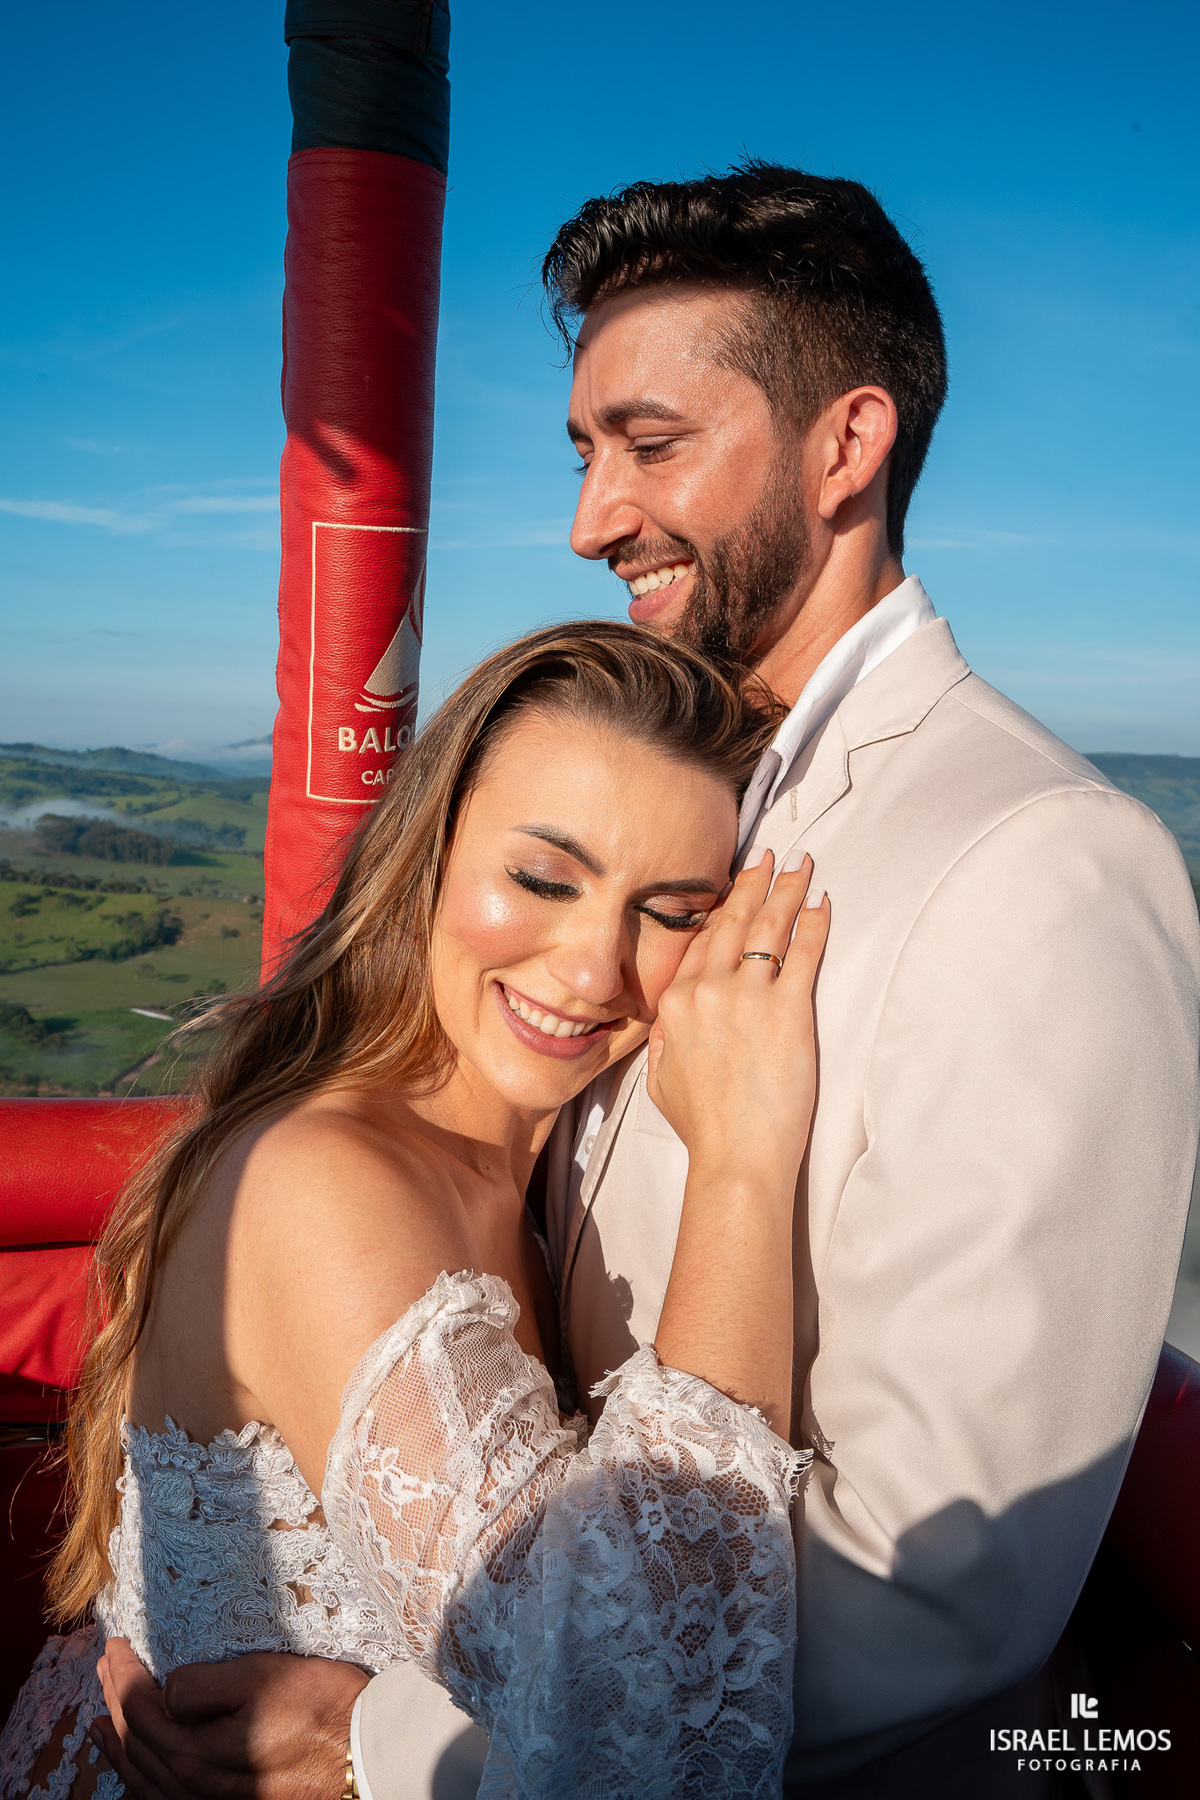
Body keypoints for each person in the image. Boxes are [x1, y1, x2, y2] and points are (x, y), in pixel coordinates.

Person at [95, 163, 1200, 1799]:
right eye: (586, 451)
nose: (588, 518)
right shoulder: (664, 780)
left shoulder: (1039, 863)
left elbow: (935, 1576)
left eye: (652, 444)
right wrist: (184, 1594)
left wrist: (402, 1735)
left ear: (847, 444)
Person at [0, 623, 834, 1800]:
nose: (596, 968)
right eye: (543, 878)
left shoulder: (518, 1168)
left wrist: (373, 1734)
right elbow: (634, 1731)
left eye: (673, 911)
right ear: (426, 855)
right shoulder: (327, 1183)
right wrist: (746, 1165)